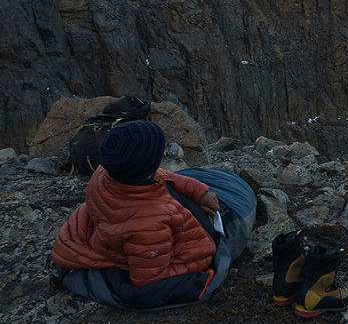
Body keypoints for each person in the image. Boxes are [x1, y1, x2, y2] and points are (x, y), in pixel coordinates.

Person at [52, 120, 222, 292]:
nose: (163, 155)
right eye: (160, 153)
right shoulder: (147, 226)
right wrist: (200, 270)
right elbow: (151, 281)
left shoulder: (107, 171)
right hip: (154, 248)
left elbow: (160, 174)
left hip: (120, 231)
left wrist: (198, 191)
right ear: (148, 167)